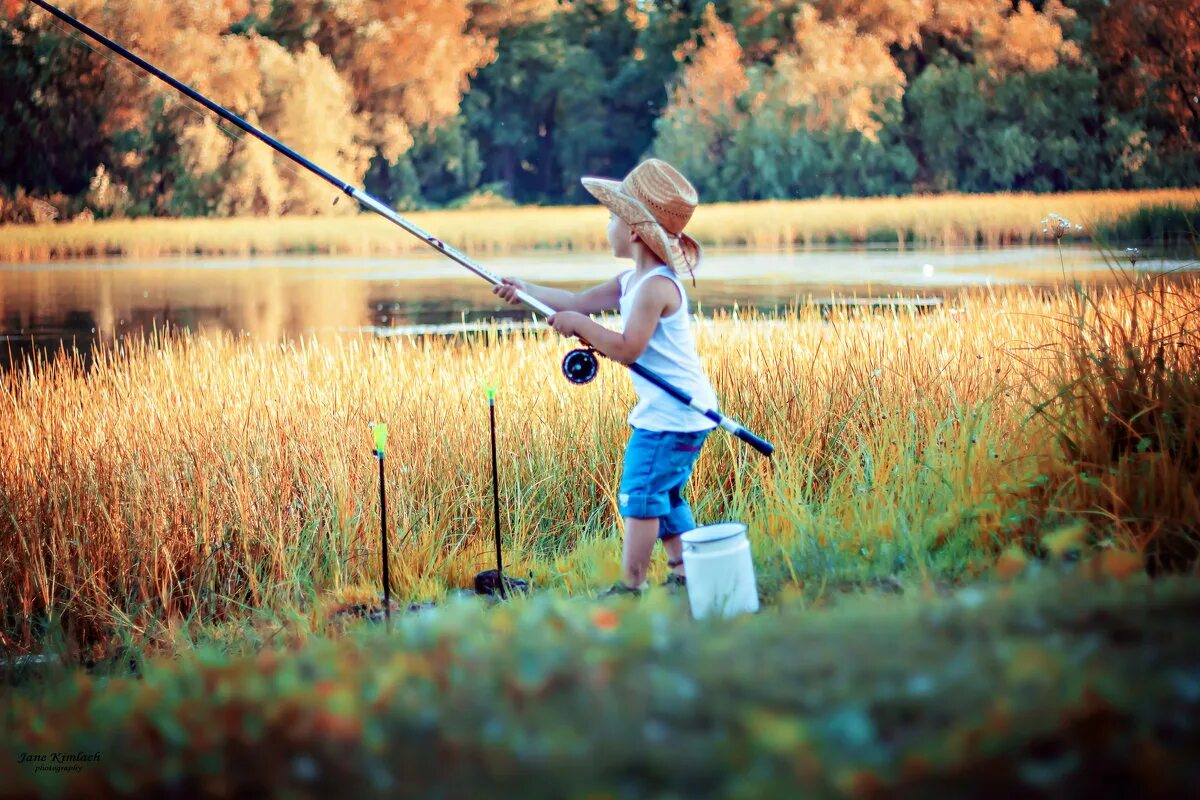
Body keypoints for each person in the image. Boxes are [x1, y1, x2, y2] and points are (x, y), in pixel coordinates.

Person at [493, 158, 718, 596]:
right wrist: (525, 290)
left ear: (634, 230)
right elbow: (576, 299)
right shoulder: (631, 280)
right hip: (672, 412)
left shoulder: (656, 286)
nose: (608, 223)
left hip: (674, 414)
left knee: (639, 492)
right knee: (665, 496)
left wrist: (580, 325)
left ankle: (631, 587)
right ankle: (685, 573)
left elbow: (626, 349)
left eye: (612, 216)